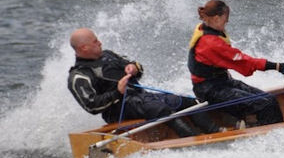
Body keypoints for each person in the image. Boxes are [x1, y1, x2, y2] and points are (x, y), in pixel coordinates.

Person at [67, 28, 220, 137]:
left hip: (142, 98)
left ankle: (217, 132)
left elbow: (138, 69)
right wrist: (117, 92)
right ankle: (194, 140)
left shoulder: (108, 55)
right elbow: (92, 106)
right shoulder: (79, 76)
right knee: (162, 110)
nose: (100, 43)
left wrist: (134, 68)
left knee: (190, 103)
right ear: (84, 48)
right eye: (95, 42)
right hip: (118, 109)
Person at [188, 0, 284, 127]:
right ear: (216, 18)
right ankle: (270, 134)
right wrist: (276, 66)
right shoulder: (210, 44)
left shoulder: (205, 27)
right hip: (210, 90)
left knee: (270, 100)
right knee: (264, 105)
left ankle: (257, 125)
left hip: (223, 82)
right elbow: (243, 61)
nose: (227, 22)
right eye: (225, 19)